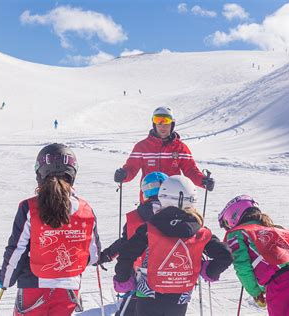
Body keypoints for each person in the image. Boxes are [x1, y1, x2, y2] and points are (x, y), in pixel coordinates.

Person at [0, 143, 100, 316]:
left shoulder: (30, 208)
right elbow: (93, 256)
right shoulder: (85, 209)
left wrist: (6, 279)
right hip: (69, 289)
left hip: (34, 285)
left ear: (40, 172)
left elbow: (17, 250)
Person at [113, 175, 232, 316]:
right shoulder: (200, 232)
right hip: (179, 297)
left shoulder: (149, 229)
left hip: (148, 295)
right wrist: (208, 270)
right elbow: (225, 255)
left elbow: (127, 253)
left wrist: (124, 279)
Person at [218, 195, 289, 316]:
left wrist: (256, 292)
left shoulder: (238, 233)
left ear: (233, 216)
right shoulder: (270, 228)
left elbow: (242, 267)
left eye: (226, 222)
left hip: (280, 284)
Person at [97, 171, 168, 316]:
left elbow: (124, 243)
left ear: (145, 192)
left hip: (137, 276)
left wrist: (105, 255)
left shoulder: (135, 217)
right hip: (168, 275)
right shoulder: (174, 215)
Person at [113, 106, 214, 201]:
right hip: (149, 197)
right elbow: (131, 168)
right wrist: (124, 175)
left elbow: (190, 171)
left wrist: (203, 181)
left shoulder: (180, 148)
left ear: (172, 124)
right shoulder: (142, 147)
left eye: (166, 122)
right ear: (154, 124)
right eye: (159, 122)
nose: (163, 126)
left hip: (173, 198)